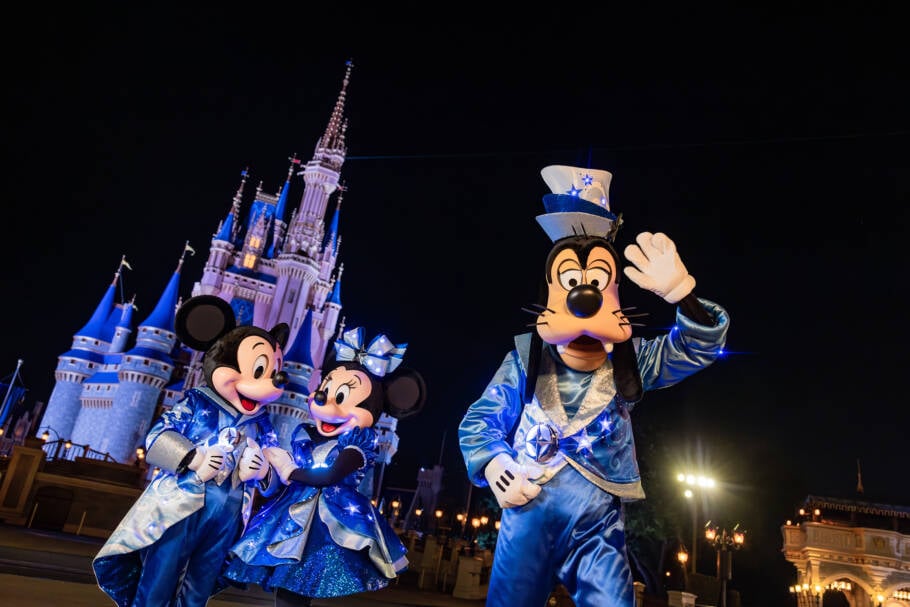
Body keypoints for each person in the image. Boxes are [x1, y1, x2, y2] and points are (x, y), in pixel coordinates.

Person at [458, 165, 730, 607]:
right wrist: (494, 464)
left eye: (598, 282)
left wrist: (682, 293)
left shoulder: (632, 360)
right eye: (570, 282)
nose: (584, 295)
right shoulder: (526, 359)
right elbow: (481, 420)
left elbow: (699, 347)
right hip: (528, 511)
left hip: (598, 523)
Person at [93, 295, 288, 607]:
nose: (269, 384)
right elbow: (157, 436)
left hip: (228, 515)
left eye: (273, 374)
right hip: (180, 504)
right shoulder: (198, 403)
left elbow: (277, 474)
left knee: (201, 583)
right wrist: (194, 457)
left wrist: (264, 473)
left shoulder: (262, 424)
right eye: (259, 370)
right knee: (160, 574)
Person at [220, 326, 427, 607]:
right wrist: (267, 472)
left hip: (328, 524)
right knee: (283, 584)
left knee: (299, 586)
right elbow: (284, 483)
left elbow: (329, 476)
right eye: (324, 390)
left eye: (340, 397)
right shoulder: (305, 436)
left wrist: (290, 470)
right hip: (290, 516)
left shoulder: (357, 442)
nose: (324, 400)